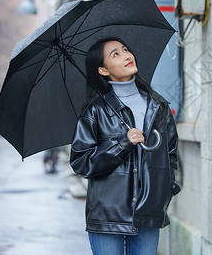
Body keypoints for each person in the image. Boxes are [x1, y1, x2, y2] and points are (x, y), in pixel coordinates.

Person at [70, 37, 181, 255]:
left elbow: (170, 154)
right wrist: (123, 143)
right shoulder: (95, 111)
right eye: (116, 54)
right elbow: (81, 162)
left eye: (125, 49)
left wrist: (165, 190)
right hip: (107, 213)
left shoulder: (158, 107)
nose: (126, 55)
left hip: (148, 210)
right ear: (103, 70)